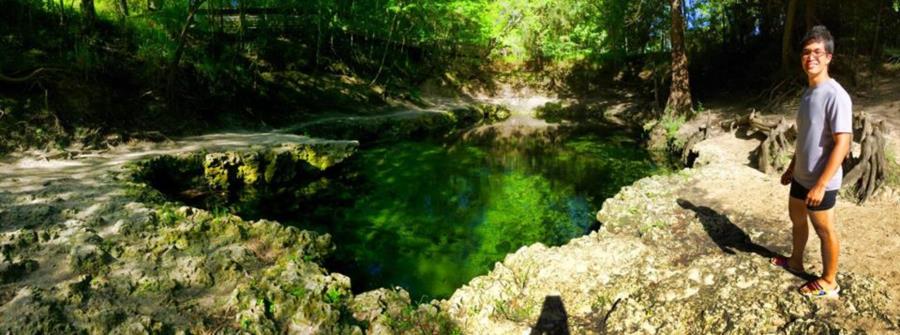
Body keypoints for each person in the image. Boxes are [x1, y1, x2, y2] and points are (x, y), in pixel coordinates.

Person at [770, 25, 852, 298]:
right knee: (797, 220)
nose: (811, 57)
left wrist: (821, 184)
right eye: (806, 52)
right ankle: (795, 261)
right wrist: (792, 168)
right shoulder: (807, 94)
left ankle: (830, 281)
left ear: (829, 57)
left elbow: (843, 143)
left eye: (818, 52)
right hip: (801, 176)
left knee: (824, 230)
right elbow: (807, 136)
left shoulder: (835, 95)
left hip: (822, 181)